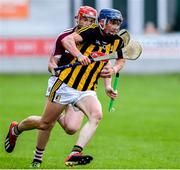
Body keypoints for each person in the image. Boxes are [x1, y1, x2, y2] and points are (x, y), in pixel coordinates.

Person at [4, 8, 125, 167]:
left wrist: (111, 78)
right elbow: (65, 42)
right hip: (65, 84)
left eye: (118, 23)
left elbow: (115, 60)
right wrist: (80, 56)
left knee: (90, 118)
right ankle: (17, 129)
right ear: (102, 22)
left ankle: (75, 153)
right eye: (113, 23)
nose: (116, 26)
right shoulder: (88, 33)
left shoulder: (117, 40)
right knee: (45, 124)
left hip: (87, 89)